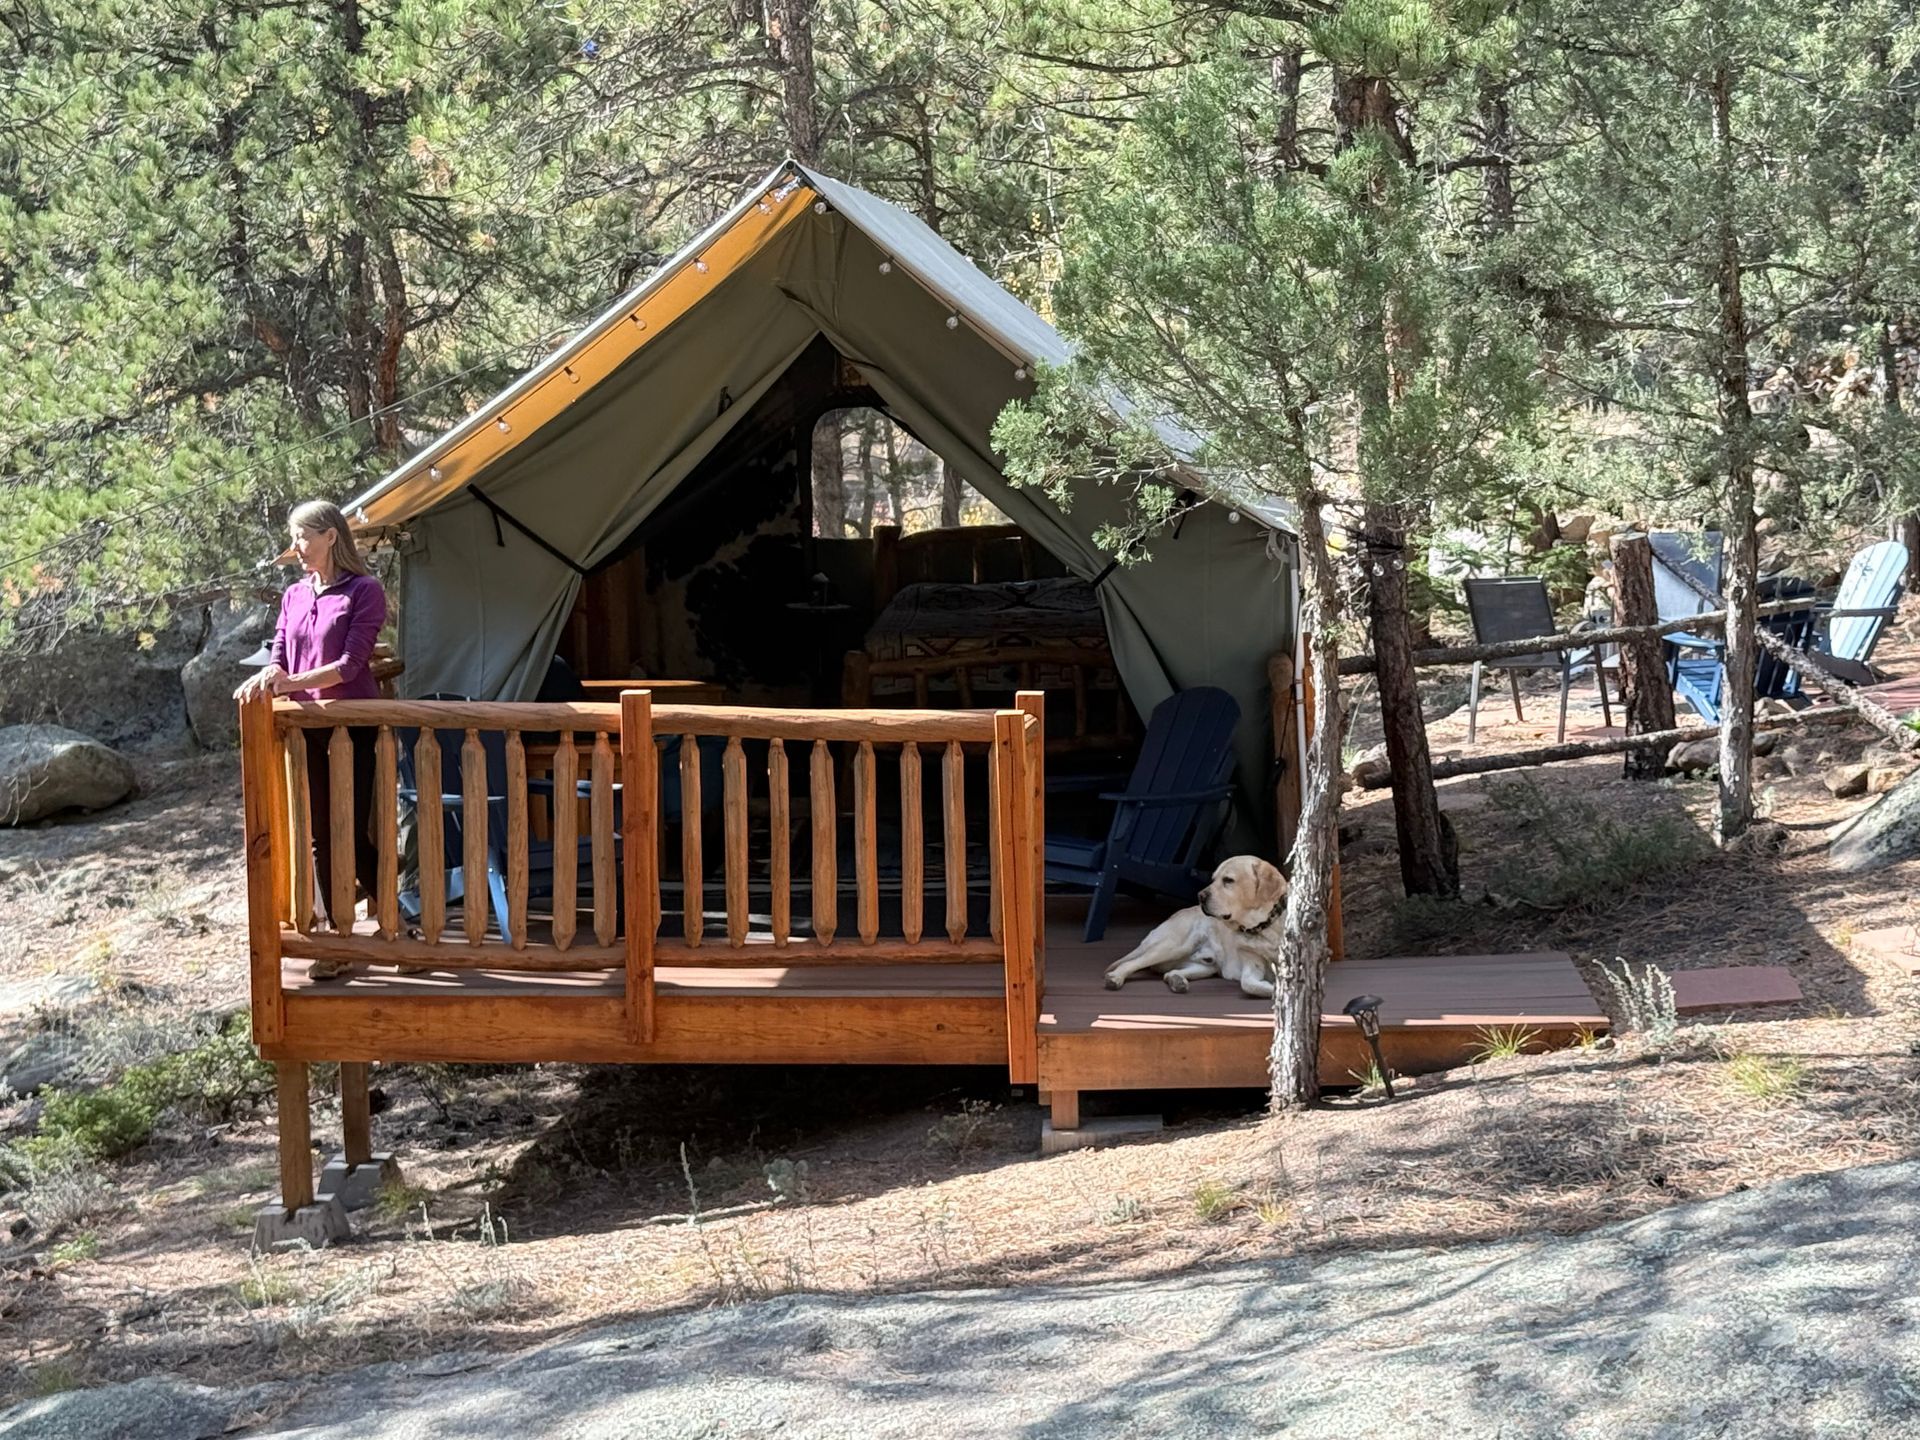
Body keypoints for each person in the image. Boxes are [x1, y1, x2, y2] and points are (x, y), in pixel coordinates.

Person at [235, 500, 388, 940]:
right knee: (320, 836)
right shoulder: (295, 595)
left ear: (331, 536)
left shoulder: (364, 591)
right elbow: (279, 654)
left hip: (353, 729)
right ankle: (337, 939)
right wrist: (270, 675)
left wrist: (287, 682)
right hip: (306, 730)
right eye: (294, 537)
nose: (296, 546)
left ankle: (396, 926)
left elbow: (350, 665)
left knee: (353, 834)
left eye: (302, 536)